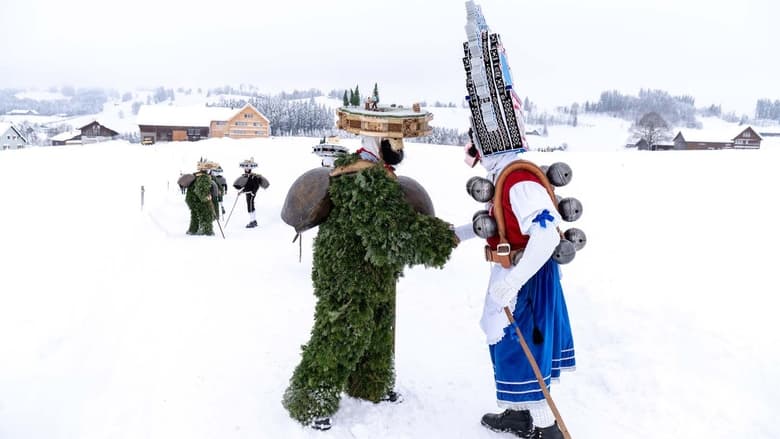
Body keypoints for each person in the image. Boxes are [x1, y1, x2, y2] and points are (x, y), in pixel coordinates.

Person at [281, 136, 458, 431]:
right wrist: (446, 237)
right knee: (341, 332)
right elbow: (388, 236)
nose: (400, 148)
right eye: (394, 141)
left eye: (402, 141)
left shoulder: (377, 173)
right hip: (348, 272)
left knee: (377, 327)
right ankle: (310, 399)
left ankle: (370, 384)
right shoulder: (362, 179)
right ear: (378, 142)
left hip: (373, 270)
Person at [453, 142, 575, 439]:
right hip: (514, 273)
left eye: (475, 147)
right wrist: (456, 235)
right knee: (506, 345)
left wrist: (514, 282)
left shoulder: (519, 181)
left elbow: (545, 234)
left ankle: (548, 431)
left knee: (521, 350)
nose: (473, 155)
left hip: (527, 279)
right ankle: (519, 416)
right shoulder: (503, 175)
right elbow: (498, 224)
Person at [232, 158, 268, 228]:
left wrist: (253, 193)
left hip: (251, 193)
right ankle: (253, 221)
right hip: (248, 193)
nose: (246, 169)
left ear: (250, 169)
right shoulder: (247, 176)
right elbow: (247, 187)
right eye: (245, 168)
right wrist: (241, 192)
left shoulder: (253, 177)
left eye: (248, 168)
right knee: (249, 206)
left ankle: (252, 221)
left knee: (250, 206)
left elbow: (256, 186)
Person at [185, 160, 216, 236]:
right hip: (198, 200)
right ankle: (205, 231)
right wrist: (206, 197)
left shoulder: (197, 175)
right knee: (206, 213)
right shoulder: (204, 177)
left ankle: (193, 230)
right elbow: (199, 190)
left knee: (195, 214)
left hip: (191, 200)